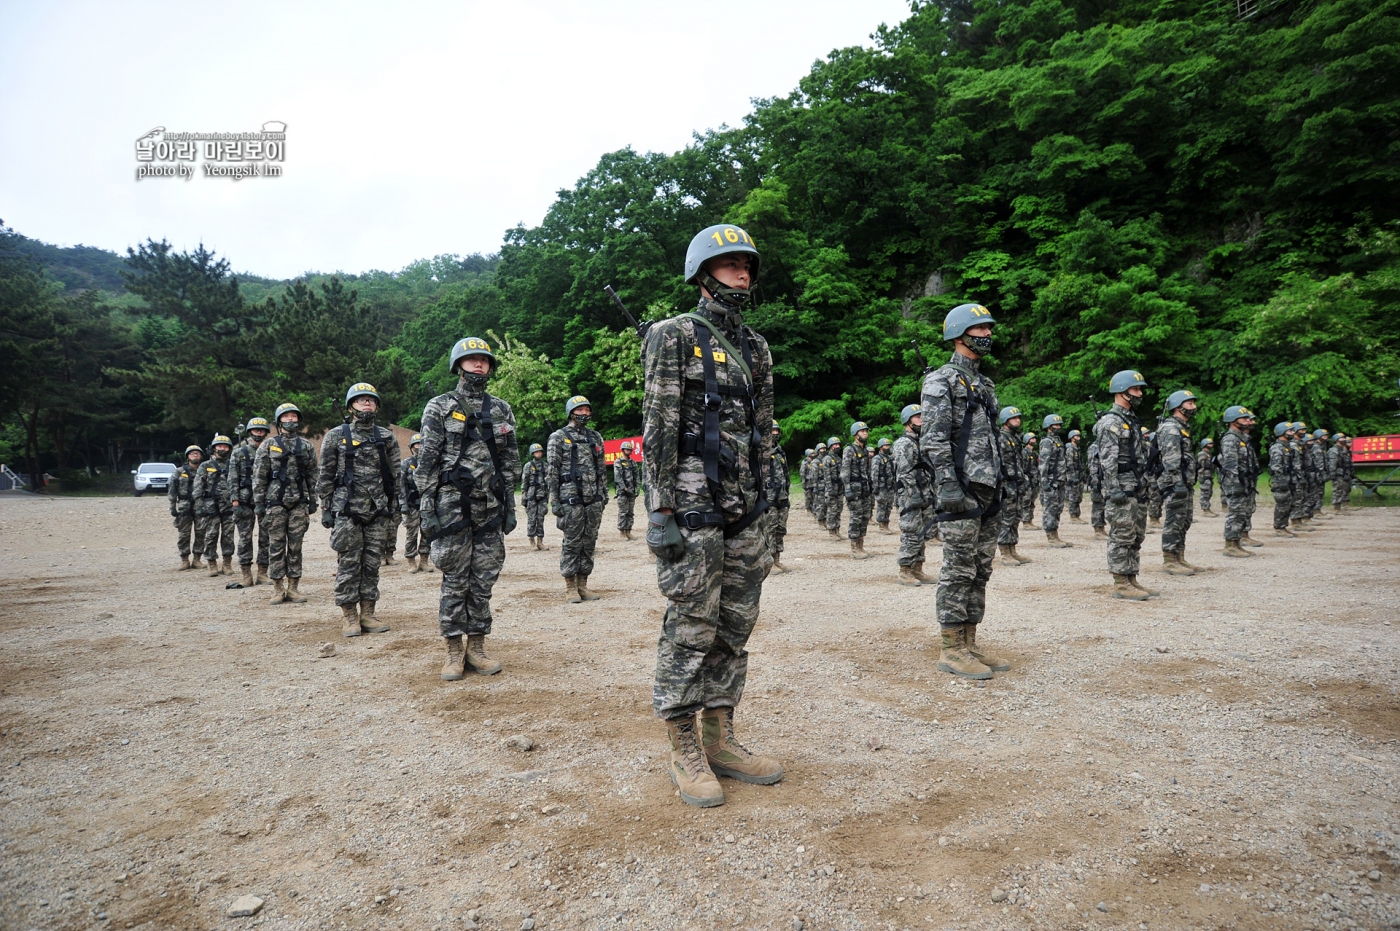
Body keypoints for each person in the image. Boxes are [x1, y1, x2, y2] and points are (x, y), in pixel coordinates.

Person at [642, 222, 781, 808]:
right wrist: (661, 509)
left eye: (747, 265)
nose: (741, 273)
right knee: (691, 627)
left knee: (735, 627)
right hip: (693, 506)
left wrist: (775, 506)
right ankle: (683, 746)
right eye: (729, 265)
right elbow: (659, 425)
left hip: (747, 508)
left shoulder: (757, 346)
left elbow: (764, 432)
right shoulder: (672, 335)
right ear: (703, 275)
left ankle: (721, 738)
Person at [416, 337, 519, 680]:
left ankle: (476, 647)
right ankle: (452, 651)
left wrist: (510, 504)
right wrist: (426, 505)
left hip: (490, 506)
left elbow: (510, 460)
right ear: (458, 364)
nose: (478, 364)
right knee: (455, 578)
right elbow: (427, 460)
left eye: (484, 360)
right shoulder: (439, 406)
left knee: (484, 579)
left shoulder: (501, 409)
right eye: (471, 359)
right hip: (451, 506)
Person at [923, 302, 1010, 680]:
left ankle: (970, 642)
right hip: (961, 488)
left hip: (988, 488)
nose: (987, 335)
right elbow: (934, 440)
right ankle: (951, 648)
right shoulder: (940, 380)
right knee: (958, 570)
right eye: (980, 330)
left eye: (989, 329)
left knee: (980, 569)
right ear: (959, 335)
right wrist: (948, 487)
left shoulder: (984, 384)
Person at [318, 383, 402, 636]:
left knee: (372, 564)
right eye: (361, 399)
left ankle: (368, 613)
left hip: (377, 511)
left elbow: (396, 475)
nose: (367, 403)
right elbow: (326, 474)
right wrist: (326, 508)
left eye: (371, 400)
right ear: (351, 405)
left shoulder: (386, 437)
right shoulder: (335, 435)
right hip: (347, 510)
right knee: (348, 564)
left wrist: (395, 506)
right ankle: (349, 616)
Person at [1094, 370, 1158, 600]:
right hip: (1121, 488)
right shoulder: (1110, 422)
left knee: (1135, 535)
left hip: (1136, 486)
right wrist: (1114, 489)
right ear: (1122, 392)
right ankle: (1120, 582)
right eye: (1136, 389)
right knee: (1122, 534)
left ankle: (1131, 578)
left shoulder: (1130, 421)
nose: (1140, 393)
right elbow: (1107, 461)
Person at [253, 403, 319, 604]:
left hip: (299, 502)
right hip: (275, 503)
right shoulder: (267, 445)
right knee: (276, 546)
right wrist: (259, 504)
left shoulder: (306, 446)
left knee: (296, 547)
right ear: (279, 420)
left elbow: (312, 474)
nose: (291, 419)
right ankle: (277, 588)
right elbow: (259, 476)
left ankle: (293, 587)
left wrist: (313, 500)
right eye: (286, 416)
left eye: (294, 416)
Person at [548, 395, 607, 603]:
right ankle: (570, 586)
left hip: (593, 499)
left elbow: (601, 469)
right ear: (571, 412)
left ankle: (583, 584)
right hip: (570, 499)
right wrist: (554, 500)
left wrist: (603, 495)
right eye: (580, 410)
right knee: (572, 542)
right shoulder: (558, 437)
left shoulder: (595, 437)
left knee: (589, 541)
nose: (584, 414)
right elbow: (552, 471)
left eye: (587, 410)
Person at [1157, 390, 1200, 574]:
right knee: (1174, 520)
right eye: (1189, 403)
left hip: (1184, 481)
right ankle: (1169, 559)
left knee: (1184, 519)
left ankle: (1179, 556)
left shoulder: (1182, 427)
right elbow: (1171, 459)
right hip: (1175, 482)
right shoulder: (1171, 428)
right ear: (1177, 407)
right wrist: (1177, 482)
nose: (1194, 407)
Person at [893, 403, 935, 586]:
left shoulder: (920, 442)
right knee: (911, 532)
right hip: (910, 496)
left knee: (923, 532)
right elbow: (904, 473)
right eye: (918, 417)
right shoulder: (903, 443)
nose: (922, 420)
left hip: (924, 493)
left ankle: (918, 568)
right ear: (908, 421)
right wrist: (913, 494)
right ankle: (905, 571)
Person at [230, 417, 272, 587]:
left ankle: (262, 573)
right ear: (249, 432)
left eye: (262, 430)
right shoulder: (239, 453)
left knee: (266, 538)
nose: (259, 432)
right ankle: (246, 575)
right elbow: (231, 479)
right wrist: (234, 502)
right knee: (245, 538)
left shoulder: (271, 450)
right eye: (255, 430)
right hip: (244, 501)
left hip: (265, 500)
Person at [1218, 405, 1259, 557]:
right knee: (1235, 513)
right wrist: (1235, 484)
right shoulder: (1230, 439)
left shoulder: (1241, 438)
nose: (1248, 421)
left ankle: (1237, 543)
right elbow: (1230, 465)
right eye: (1244, 418)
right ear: (1233, 420)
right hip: (1235, 482)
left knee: (1242, 512)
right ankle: (1229, 545)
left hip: (1244, 482)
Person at [193, 434, 236, 577]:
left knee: (228, 536)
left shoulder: (233, 464)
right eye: (220, 446)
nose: (222, 449)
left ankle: (227, 563)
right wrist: (199, 505)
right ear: (214, 448)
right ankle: (211, 563)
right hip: (210, 506)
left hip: (229, 505)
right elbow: (198, 486)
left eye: (225, 446)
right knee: (211, 535)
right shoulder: (205, 465)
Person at [996, 406, 1031, 566]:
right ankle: (1004, 551)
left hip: (1016, 483)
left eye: (1018, 417)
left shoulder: (1015, 438)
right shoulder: (1001, 438)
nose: (1017, 420)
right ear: (1005, 421)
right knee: (1006, 518)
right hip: (1006, 484)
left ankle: (1012, 548)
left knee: (1016, 516)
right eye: (1013, 418)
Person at [169, 444, 206, 570]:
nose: (195, 455)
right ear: (187, 457)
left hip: (201, 506)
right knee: (184, 534)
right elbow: (172, 489)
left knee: (201, 533)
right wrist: (172, 506)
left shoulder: (204, 470)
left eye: (197, 453)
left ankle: (197, 559)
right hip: (184, 506)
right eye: (192, 453)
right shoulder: (179, 471)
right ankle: (184, 559)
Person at [1038, 414, 1072, 548]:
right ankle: (1051, 537)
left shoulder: (1057, 440)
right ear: (1048, 426)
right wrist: (1044, 480)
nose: (1058, 427)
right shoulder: (1047, 442)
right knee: (1050, 509)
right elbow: (1044, 463)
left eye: (1059, 425)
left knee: (1058, 508)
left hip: (1059, 480)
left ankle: (1055, 533)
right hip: (1051, 480)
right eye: (1055, 425)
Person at [841, 421, 875, 559]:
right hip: (854, 489)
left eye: (866, 431)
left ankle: (861, 545)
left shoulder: (865, 451)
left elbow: (868, 470)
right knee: (856, 517)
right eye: (862, 431)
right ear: (855, 435)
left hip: (865, 489)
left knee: (865, 516)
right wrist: (847, 489)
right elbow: (845, 471)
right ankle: (854, 548)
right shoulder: (849, 450)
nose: (865, 433)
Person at [399, 433, 429, 572]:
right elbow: (401, 486)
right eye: (417, 444)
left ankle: (424, 560)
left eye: (422, 444)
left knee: (427, 532)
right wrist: (403, 504)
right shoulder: (406, 464)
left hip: (427, 504)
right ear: (411, 447)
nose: (419, 447)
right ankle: (411, 560)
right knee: (412, 533)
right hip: (411, 506)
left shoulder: (430, 463)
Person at [766, 422, 791, 573]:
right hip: (769, 498)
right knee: (770, 529)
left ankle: (777, 559)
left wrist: (787, 494)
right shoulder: (762, 451)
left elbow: (786, 475)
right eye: (772, 430)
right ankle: (768, 563)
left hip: (782, 497)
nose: (775, 433)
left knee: (780, 529)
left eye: (777, 430)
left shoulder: (780, 452)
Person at [1268, 423, 1299, 538]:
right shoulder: (1277, 447)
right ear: (1282, 432)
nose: (1292, 433)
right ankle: (1278, 528)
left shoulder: (1288, 446)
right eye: (1289, 431)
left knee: (1289, 504)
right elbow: (1276, 466)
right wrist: (1281, 481)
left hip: (1289, 479)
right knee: (1282, 504)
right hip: (1281, 481)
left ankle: (1283, 526)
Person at [521, 443, 549, 550]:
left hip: (542, 495)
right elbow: (524, 482)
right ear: (533, 453)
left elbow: (548, 482)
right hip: (531, 495)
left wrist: (547, 496)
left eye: (540, 451)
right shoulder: (528, 466)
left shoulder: (545, 465)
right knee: (532, 518)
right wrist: (524, 496)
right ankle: (531, 541)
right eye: (536, 452)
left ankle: (540, 541)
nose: (538, 453)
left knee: (540, 518)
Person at [614, 440, 640, 540]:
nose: (628, 451)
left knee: (630, 512)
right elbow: (618, 477)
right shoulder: (618, 462)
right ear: (622, 450)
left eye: (629, 449)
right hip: (622, 491)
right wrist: (624, 488)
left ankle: (628, 531)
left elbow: (636, 476)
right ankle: (622, 532)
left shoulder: (633, 462)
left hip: (632, 491)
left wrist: (637, 487)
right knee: (623, 512)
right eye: (626, 449)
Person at [872, 438, 896, 533]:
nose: (887, 447)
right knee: (882, 506)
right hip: (881, 486)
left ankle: (886, 524)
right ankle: (882, 525)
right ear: (881, 447)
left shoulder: (889, 458)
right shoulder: (877, 459)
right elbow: (874, 474)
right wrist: (875, 486)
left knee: (889, 506)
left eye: (888, 445)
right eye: (885, 446)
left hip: (889, 486)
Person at [822, 437, 844, 538]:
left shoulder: (838, 458)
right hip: (831, 488)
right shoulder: (827, 459)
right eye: (835, 445)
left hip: (839, 487)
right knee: (832, 510)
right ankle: (831, 532)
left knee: (839, 509)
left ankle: (837, 530)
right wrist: (829, 488)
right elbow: (826, 475)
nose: (837, 446)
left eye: (838, 445)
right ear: (830, 446)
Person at [1086, 436, 1107, 537]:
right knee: (1097, 504)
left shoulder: (1103, 445)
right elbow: (1092, 465)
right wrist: (1095, 479)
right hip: (1097, 479)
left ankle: (1101, 527)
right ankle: (1098, 529)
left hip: (1103, 479)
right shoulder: (1094, 447)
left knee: (1102, 504)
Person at [1065, 429, 1085, 523]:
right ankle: (1073, 516)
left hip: (1079, 476)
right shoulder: (1070, 450)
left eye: (1079, 436)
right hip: (1073, 477)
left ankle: (1077, 515)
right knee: (1073, 496)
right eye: (1077, 436)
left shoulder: (1078, 449)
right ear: (1072, 438)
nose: (1079, 438)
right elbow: (1069, 464)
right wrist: (1073, 477)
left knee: (1079, 496)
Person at [1329, 434, 1353, 511]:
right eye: (1341, 438)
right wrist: (1332, 473)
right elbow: (1332, 463)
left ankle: (1341, 506)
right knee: (1337, 489)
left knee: (1344, 488)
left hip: (1343, 472)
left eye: (1344, 438)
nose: (1344, 440)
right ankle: (1336, 507)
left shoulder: (1342, 450)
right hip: (1337, 473)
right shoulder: (1334, 450)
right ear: (1337, 440)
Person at [1020, 432, 1038, 529]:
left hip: (1034, 480)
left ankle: (1030, 520)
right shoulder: (1024, 452)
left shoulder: (1034, 453)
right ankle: (1025, 522)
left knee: (1032, 501)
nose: (1034, 440)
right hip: (1027, 480)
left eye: (1035, 438)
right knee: (1026, 501)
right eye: (1032, 439)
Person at [809, 442, 828, 524]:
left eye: (824, 449)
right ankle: (820, 520)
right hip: (819, 485)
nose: (823, 450)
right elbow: (814, 475)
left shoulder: (827, 459)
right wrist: (815, 487)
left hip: (827, 485)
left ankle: (825, 519)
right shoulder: (815, 462)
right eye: (821, 449)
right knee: (820, 504)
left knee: (827, 504)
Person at [1197, 438, 1217, 516]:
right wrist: (1201, 476)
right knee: (1205, 492)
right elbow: (1201, 465)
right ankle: (1205, 510)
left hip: (1209, 475)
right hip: (1204, 475)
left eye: (1212, 443)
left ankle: (1208, 508)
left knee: (1209, 492)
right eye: (1209, 443)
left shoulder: (1208, 453)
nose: (1211, 445)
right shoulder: (1202, 454)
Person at [799, 448, 815, 516]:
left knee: (814, 496)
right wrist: (803, 482)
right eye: (812, 453)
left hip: (814, 482)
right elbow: (802, 473)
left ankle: (813, 509)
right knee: (808, 496)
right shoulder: (805, 462)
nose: (813, 455)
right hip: (807, 482)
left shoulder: (814, 462)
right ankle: (808, 509)